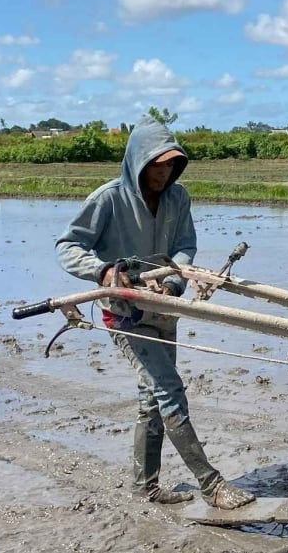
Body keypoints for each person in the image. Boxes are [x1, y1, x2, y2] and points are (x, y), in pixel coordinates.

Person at [56, 115, 253, 509]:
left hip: (164, 308)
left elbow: (184, 246)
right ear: (138, 163)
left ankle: (145, 486)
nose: (163, 174)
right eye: (156, 166)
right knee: (169, 389)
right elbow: (68, 246)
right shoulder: (108, 199)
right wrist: (105, 270)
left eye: (170, 166)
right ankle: (210, 484)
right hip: (124, 312)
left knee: (152, 398)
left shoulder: (178, 199)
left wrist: (172, 282)